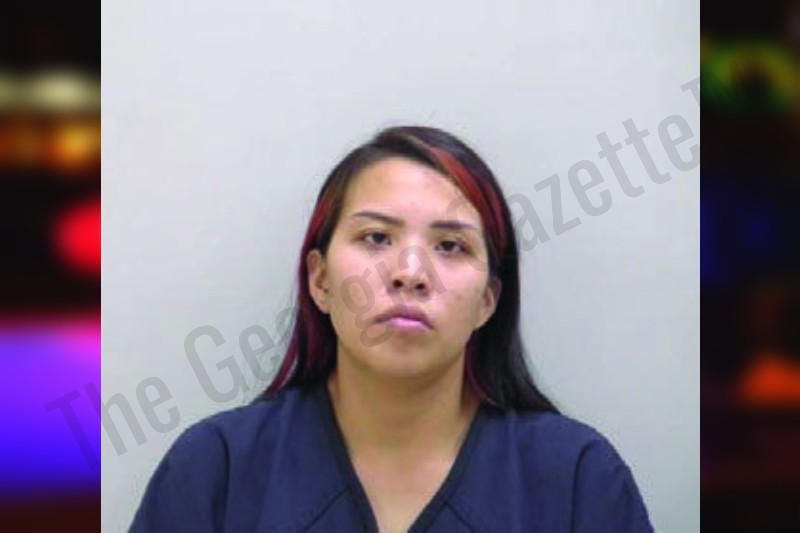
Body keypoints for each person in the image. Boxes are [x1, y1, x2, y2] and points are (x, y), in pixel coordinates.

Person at [130, 126, 654, 532]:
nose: (409, 272)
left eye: (450, 246)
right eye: (376, 238)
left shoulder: (578, 481)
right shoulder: (214, 471)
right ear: (320, 280)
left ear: (487, 301)